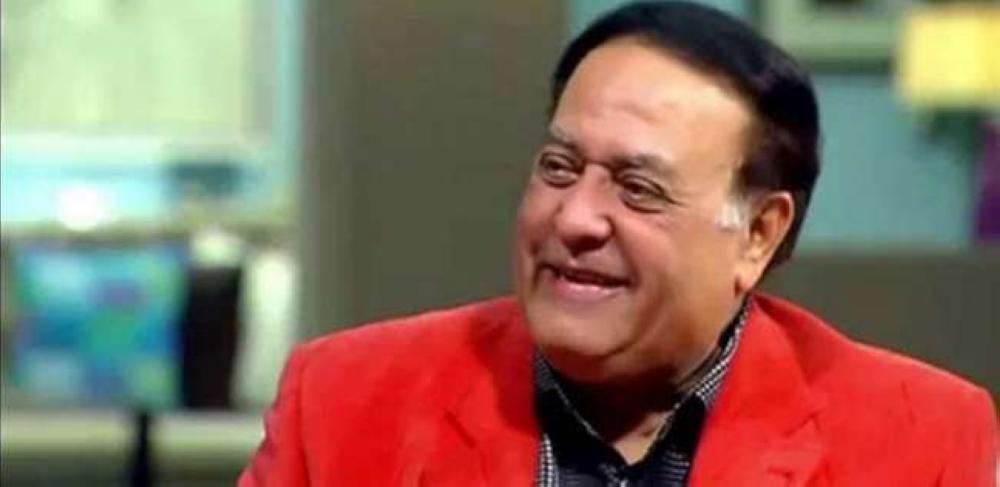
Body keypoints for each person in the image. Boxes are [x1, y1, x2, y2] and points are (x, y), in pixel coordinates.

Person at [240, 2, 997, 485]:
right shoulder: (342, 402)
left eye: (638, 188)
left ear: (757, 235)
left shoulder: (919, 440)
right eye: (559, 168)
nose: (575, 218)